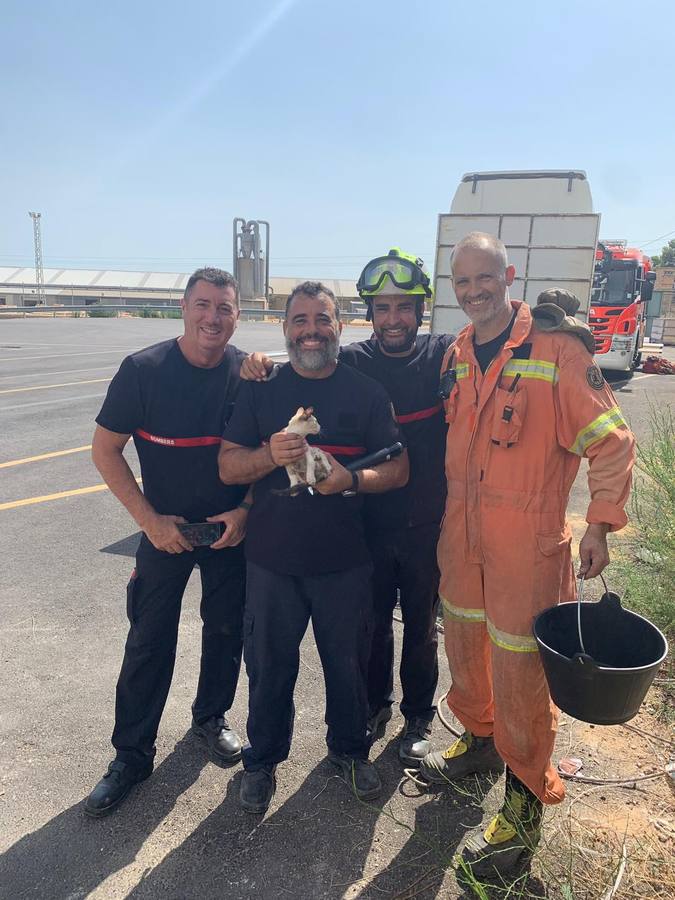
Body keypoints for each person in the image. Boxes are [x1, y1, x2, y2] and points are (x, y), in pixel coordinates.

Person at [418, 233, 635, 877]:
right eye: (462, 283)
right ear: (452, 288)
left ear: (508, 276)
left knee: (521, 668)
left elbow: (611, 440)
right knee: (464, 643)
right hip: (461, 534)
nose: (474, 291)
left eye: (485, 278)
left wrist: (599, 524)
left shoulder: (557, 350)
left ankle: (523, 800)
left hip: (528, 540)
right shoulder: (457, 353)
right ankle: (479, 739)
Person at [242, 249, 455, 768]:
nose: (394, 319)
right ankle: (374, 708)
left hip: (427, 520)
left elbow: (501, 344)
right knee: (372, 628)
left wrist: (557, 328)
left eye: (404, 307)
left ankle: (418, 714)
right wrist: (255, 362)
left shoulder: (446, 354)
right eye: (382, 308)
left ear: (421, 310)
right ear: (368, 315)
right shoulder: (356, 361)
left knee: (422, 628)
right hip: (368, 523)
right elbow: (308, 355)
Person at [218, 281, 409, 814]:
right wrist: (268, 455)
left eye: (321, 319)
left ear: (339, 327)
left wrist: (351, 479)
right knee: (268, 664)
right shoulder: (261, 389)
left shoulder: (365, 392)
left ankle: (349, 751)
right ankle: (262, 761)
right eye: (299, 320)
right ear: (284, 329)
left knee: (348, 663)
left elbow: (399, 469)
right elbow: (228, 465)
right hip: (272, 561)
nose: (310, 330)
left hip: (344, 561)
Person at [85, 267, 250, 818]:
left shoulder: (249, 374)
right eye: (203, 305)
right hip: (165, 532)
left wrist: (247, 511)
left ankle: (210, 718)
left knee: (226, 631)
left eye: (224, 308)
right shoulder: (143, 371)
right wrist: (150, 521)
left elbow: (274, 453)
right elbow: (105, 450)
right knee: (148, 642)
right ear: (184, 308)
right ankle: (131, 756)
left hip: (228, 533)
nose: (212, 318)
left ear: (237, 315)